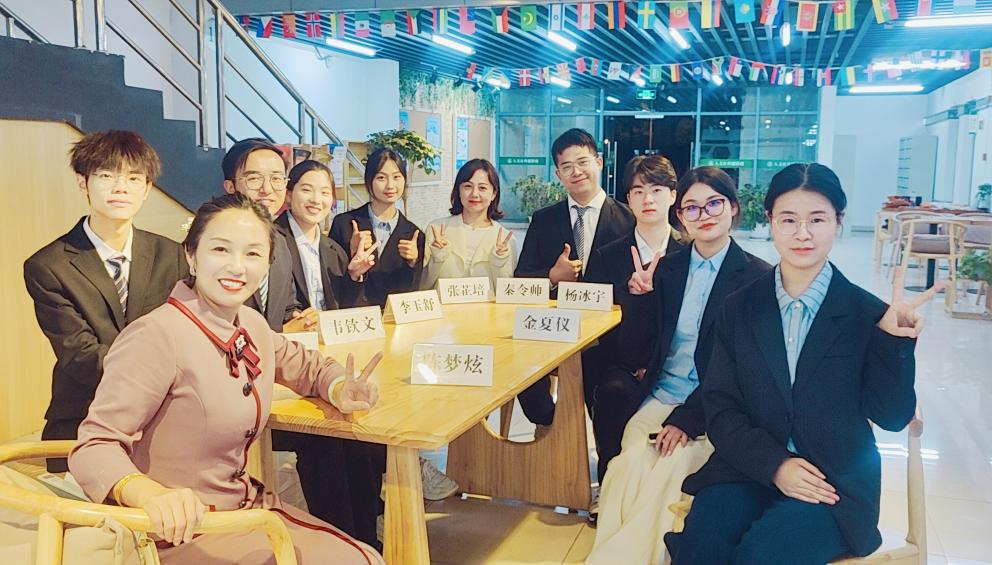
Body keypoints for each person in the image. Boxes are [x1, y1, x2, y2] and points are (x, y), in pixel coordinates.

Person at [68, 193, 384, 565]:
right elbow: (94, 445)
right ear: (191, 255)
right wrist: (149, 494)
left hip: (245, 512)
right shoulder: (156, 335)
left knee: (363, 555)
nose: (236, 267)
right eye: (220, 249)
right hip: (174, 534)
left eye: (253, 254)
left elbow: (305, 366)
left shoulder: (250, 325)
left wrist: (339, 386)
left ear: (268, 264)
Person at [667, 163, 939, 564]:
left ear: (839, 222)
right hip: (747, 467)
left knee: (763, 555)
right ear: (770, 221)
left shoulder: (867, 314)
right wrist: (776, 465)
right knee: (702, 545)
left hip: (833, 483)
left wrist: (894, 344)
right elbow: (721, 408)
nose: (803, 233)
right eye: (789, 219)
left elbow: (892, 416)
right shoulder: (739, 308)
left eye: (817, 219)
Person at [587, 167, 770, 562]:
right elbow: (636, 354)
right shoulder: (668, 269)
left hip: (717, 408)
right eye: (692, 207)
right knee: (626, 467)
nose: (704, 214)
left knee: (670, 468)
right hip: (660, 396)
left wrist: (687, 420)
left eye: (714, 203)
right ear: (681, 215)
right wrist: (638, 298)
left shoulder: (757, 279)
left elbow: (743, 370)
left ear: (733, 208)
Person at [23, 130, 188, 473]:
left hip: (162, 420)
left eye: (133, 178)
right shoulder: (48, 266)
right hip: (85, 415)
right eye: (106, 176)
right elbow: (78, 353)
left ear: (146, 188)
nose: (120, 188)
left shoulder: (171, 255)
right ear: (82, 182)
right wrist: (155, 377)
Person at [514, 128, 635, 428]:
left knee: (609, 404)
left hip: (609, 340)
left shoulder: (629, 221)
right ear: (558, 174)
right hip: (551, 333)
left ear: (599, 162)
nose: (576, 172)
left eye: (582, 162)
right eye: (567, 167)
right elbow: (521, 281)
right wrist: (552, 277)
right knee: (520, 375)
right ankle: (553, 427)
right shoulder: (544, 220)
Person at [221, 138, 309, 332]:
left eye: (276, 179)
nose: (267, 189)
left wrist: (301, 319)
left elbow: (286, 307)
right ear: (230, 186)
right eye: (254, 179)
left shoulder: (280, 241)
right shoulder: (215, 245)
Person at [329, 147, 424, 309]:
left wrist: (413, 262)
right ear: (369, 181)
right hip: (355, 317)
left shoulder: (414, 235)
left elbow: (414, 290)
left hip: (392, 319)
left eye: (397, 177)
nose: (390, 186)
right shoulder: (344, 224)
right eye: (381, 178)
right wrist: (351, 252)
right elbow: (331, 281)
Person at [276, 160, 369, 311]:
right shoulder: (272, 241)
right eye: (307, 190)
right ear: (288, 195)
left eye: (325, 192)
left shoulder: (335, 251)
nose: (316, 200)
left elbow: (345, 308)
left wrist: (353, 276)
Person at [422, 158, 517, 290]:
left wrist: (500, 261)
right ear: (458, 191)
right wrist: (438, 257)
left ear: (494, 194)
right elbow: (422, 286)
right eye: (468, 186)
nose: (474, 194)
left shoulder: (506, 239)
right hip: (444, 304)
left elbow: (507, 291)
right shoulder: (436, 230)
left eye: (482, 188)